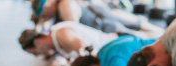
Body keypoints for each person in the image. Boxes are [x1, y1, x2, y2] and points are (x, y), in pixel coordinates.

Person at [30, 0, 164, 38]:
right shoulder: (61, 6)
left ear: (47, 5)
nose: (46, 16)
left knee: (138, 33)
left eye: (45, 12)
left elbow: (76, 32)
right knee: (136, 25)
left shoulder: (65, 5)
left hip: (104, 25)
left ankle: (165, 37)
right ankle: (164, 35)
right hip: (102, 17)